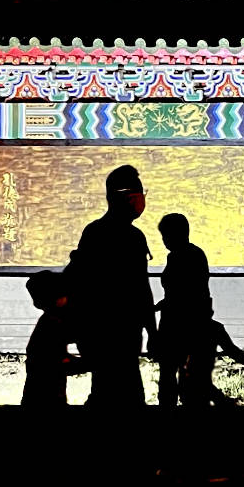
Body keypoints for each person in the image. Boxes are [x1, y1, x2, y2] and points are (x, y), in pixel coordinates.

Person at [69, 165, 158, 408]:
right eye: (139, 193)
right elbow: (141, 290)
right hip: (119, 332)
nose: (141, 200)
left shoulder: (94, 232)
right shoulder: (132, 238)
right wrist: (152, 331)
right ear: (125, 196)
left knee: (106, 391)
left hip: (100, 332)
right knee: (125, 397)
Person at [153, 213, 244, 408]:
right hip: (183, 322)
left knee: (174, 379)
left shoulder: (184, 257)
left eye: (166, 235)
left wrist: (163, 307)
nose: (164, 241)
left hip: (181, 325)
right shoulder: (188, 255)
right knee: (187, 380)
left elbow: (183, 294)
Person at [22, 270, 83, 408]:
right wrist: (91, 364)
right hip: (48, 400)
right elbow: (59, 362)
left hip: (35, 397)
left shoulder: (48, 321)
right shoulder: (53, 323)